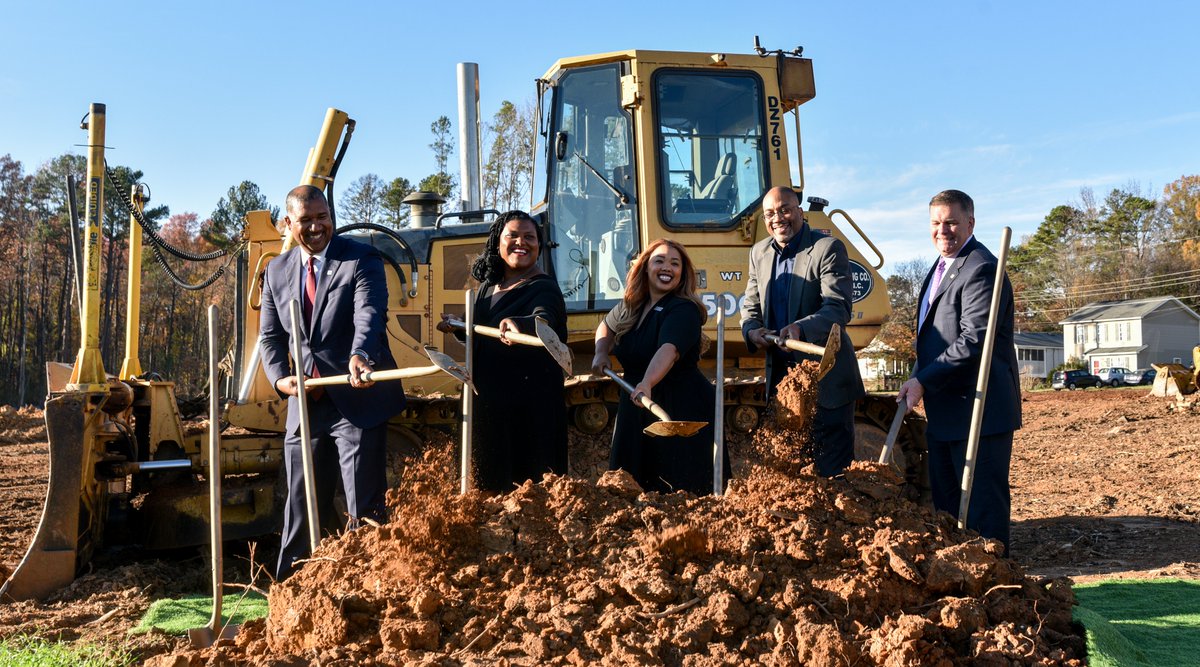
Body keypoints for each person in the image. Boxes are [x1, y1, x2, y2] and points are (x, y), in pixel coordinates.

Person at [259, 185, 406, 581]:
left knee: (364, 509)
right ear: (288, 223)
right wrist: (281, 378)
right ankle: (290, 591)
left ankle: (369, 588)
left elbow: (369, 313)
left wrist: (361, 354)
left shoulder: (360, 258)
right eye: (305, 220)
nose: (316, 226)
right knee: (300, 508)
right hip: (305, 405)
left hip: (357, 397)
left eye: (322, 217)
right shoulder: (276, 271)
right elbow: (270, 337)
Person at [897, 189, 1021, 555]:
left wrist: (923, 380)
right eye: (936, 223)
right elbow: (934, 339)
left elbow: (973, 341)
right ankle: (957, 577)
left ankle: (994, 578)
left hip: (979, 411)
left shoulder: (981, 268)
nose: (943, 230)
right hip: (946, 413)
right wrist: (919, 376)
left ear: (970, 222)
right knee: (948, 511)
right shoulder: (940, 268)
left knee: (982, 511)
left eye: (951, 222)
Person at [437, 211, 568, 492]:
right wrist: (458, 325)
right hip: (487, 403)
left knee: (524, 489)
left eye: (529, 237)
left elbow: (545, 318)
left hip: (526, 411)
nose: (521, 242)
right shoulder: (488, 287)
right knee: (483, 482)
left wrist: (522, 324)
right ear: (498, 243)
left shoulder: (544, 288)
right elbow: (478, 328)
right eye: (513, 236)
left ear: (539, 245)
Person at [740, 186, 864, 477]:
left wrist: (801, 328)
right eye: (770, 214)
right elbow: (751, 306)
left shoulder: (827, 248)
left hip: (826, 379)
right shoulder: (759, 253)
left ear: (800, 211)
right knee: (791, 474)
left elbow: (838, 308)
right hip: (783, 384)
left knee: (832, 474)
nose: (777, 218)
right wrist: (752, 331)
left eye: (784, 210)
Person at [592, 239, 723, 495]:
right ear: (645, 267)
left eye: (675, 264)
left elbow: (669, 350)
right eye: (659, 261)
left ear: (682, 273)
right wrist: (600, 351)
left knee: (677, 489)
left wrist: (648, 382)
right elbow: (606, 326)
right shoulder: (633, 305)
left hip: (678, 404)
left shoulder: (684, 309)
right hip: (638, 397)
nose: (667, 268)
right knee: (631, 486)